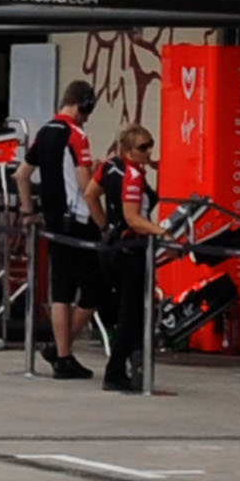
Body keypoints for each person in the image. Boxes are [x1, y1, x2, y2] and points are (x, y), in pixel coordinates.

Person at [23, 79, 102, 383]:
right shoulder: (76, 135)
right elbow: (86, 186)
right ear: (83, 105)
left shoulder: (44, 132)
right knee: (95, 290)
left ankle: (63, 354)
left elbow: (22, 174)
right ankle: (60, 350)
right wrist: (100, 177)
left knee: (62, 292)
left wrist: (28, 211)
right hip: (78, 221)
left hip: (54, 222)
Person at [93, 123, 175, 394]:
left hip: (115, 248)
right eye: (143, 147)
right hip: (130, 251)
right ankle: (115, 372)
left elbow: (91, 194)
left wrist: (105, 226)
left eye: (151, 145)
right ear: (128, 150)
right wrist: (163, 232)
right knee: (132, 314)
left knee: (132, 313)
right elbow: (133, 218)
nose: (148, 151)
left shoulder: (109, 166)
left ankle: (135, 367)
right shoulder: (132, 174)